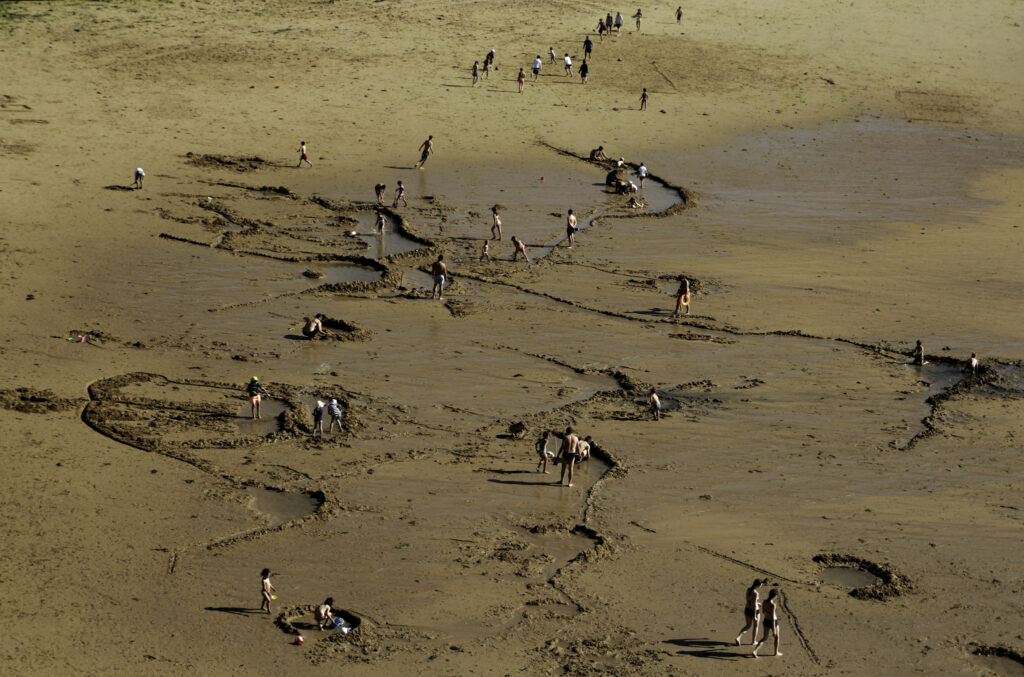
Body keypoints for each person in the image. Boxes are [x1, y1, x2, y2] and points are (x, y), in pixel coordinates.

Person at [752, 589, 781, 657]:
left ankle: (755, 651)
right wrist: (773, 630)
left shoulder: (764, 602)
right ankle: (775, 652)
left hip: (766, 621)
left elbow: (763, 611)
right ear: (774, 596)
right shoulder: (773, 605)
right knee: (777, 637)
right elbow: (773, 618)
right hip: (773, 622)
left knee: (764, 638)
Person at [735, 579, 763, 645]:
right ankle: (753, 641)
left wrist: (758, 603)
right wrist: (755, 616)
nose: (760, 587)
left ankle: (738, 637)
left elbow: (750, 600)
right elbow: (754, 606)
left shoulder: (748, 590)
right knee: (756, 626)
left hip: (747, 609)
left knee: (747, 626)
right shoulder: (756, 593)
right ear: (758, 585)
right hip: (754, 611)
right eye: (760, 585)